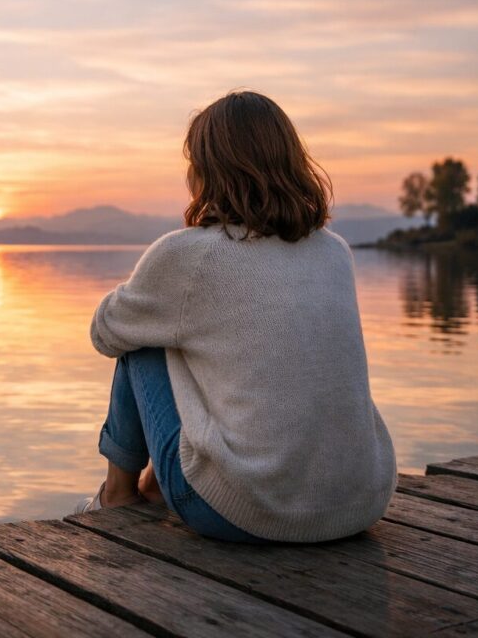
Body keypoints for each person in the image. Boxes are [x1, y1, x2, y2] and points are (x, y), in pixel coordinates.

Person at [74, 90, 396, 543]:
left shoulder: (191, 256)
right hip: (358, 503)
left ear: (206, 169)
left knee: (143, 339)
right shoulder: (334, 251)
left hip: (244, 513)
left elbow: (106, 333)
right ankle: (151, 488)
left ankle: (118, 495)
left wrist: (149, 294)